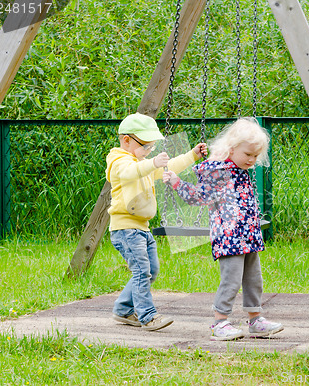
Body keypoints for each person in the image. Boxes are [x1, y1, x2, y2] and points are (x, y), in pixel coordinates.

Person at [163, 117, 283, 341]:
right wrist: (177, 182)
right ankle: (219, 322)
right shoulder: (219, 171)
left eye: (255, 156)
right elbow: (199, 196)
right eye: (248, 154)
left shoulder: (240, 169)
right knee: (231, 280)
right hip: (229, 237)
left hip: (247, 235)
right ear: (231, 148)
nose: (252, 160)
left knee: (254, 279)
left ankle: (255, 320)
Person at [106, 112, 207, 331]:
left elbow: (168, 166)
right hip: (125, 229)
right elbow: (131, 172)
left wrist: (192, 155)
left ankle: (123, 309)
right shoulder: (119, 161)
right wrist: (152, 162)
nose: (150, 150)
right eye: (146, 146)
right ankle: (148, 316)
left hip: (142, 227)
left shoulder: (142, 162)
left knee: (151, 269)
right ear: (126, 140)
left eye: (152, 146)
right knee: (142, 271)